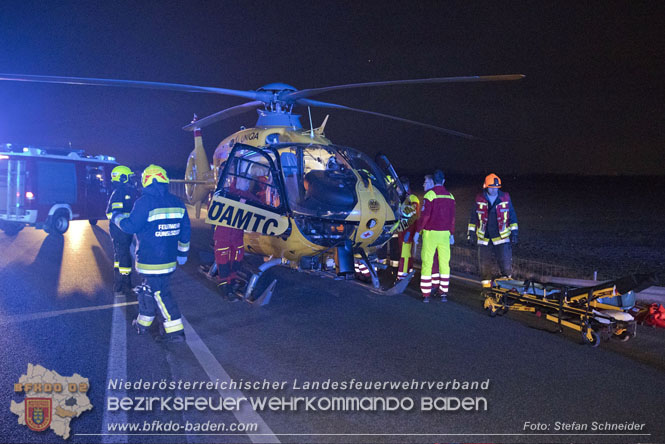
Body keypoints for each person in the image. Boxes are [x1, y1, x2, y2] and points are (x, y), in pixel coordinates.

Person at [112, 164, 191, 343]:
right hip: (169, 260)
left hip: (150, 260)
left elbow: (130, 226)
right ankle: (143, 323)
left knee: (160, 294)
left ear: (146, 181)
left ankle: (175, 333)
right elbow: (185, 231)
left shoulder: (144, 202)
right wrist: (182, 254)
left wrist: (116, 217)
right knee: (149, 290)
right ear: (164, 180)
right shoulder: (177, 202)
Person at [467, 173, 518, 290]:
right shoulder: (479, 198)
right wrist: (470, 234)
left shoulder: (505, 197)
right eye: (491, 188)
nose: (494, 190)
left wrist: (515, 233)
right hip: (484, 238)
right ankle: (486, 291)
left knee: (505, 266)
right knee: (484, 267)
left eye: (496, 188)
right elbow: (473, 217)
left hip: (502, 238)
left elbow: (512, 216)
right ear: (486, 187)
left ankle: (506, 290)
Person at [414, 170, 455, 303]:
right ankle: (443, 292)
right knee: (444, 264)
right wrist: (452, 234)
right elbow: (452, 218)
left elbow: (425, 216)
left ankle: (426, 294)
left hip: (431, 233)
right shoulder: (451, 196)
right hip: (445, 235)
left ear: (435, 181)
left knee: (427, 262)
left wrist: (417, 231)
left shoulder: (430, 195)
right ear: (443, 181)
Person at [106, 165, 139, 297]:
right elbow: (111, 213)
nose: (131, 179)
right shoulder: (119, 192)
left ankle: (118, 283)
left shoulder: (124, 191)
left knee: (119, 255)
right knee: (123, 255)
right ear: (123, 177)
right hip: (120, 230)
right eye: (129, 177)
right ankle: (125, 284)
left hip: (122, 229)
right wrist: (127, 221)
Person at [395, 177, 420, 281]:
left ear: (404, 187)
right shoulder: (403, 199)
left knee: (404, 254)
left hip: (408, 231)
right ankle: (408, 272)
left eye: (398, 188)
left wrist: (398, 210)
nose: (397, 190)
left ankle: (402, 277)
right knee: (405, 254)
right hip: (403, 230)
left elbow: (409, 212)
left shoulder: (412, 198)